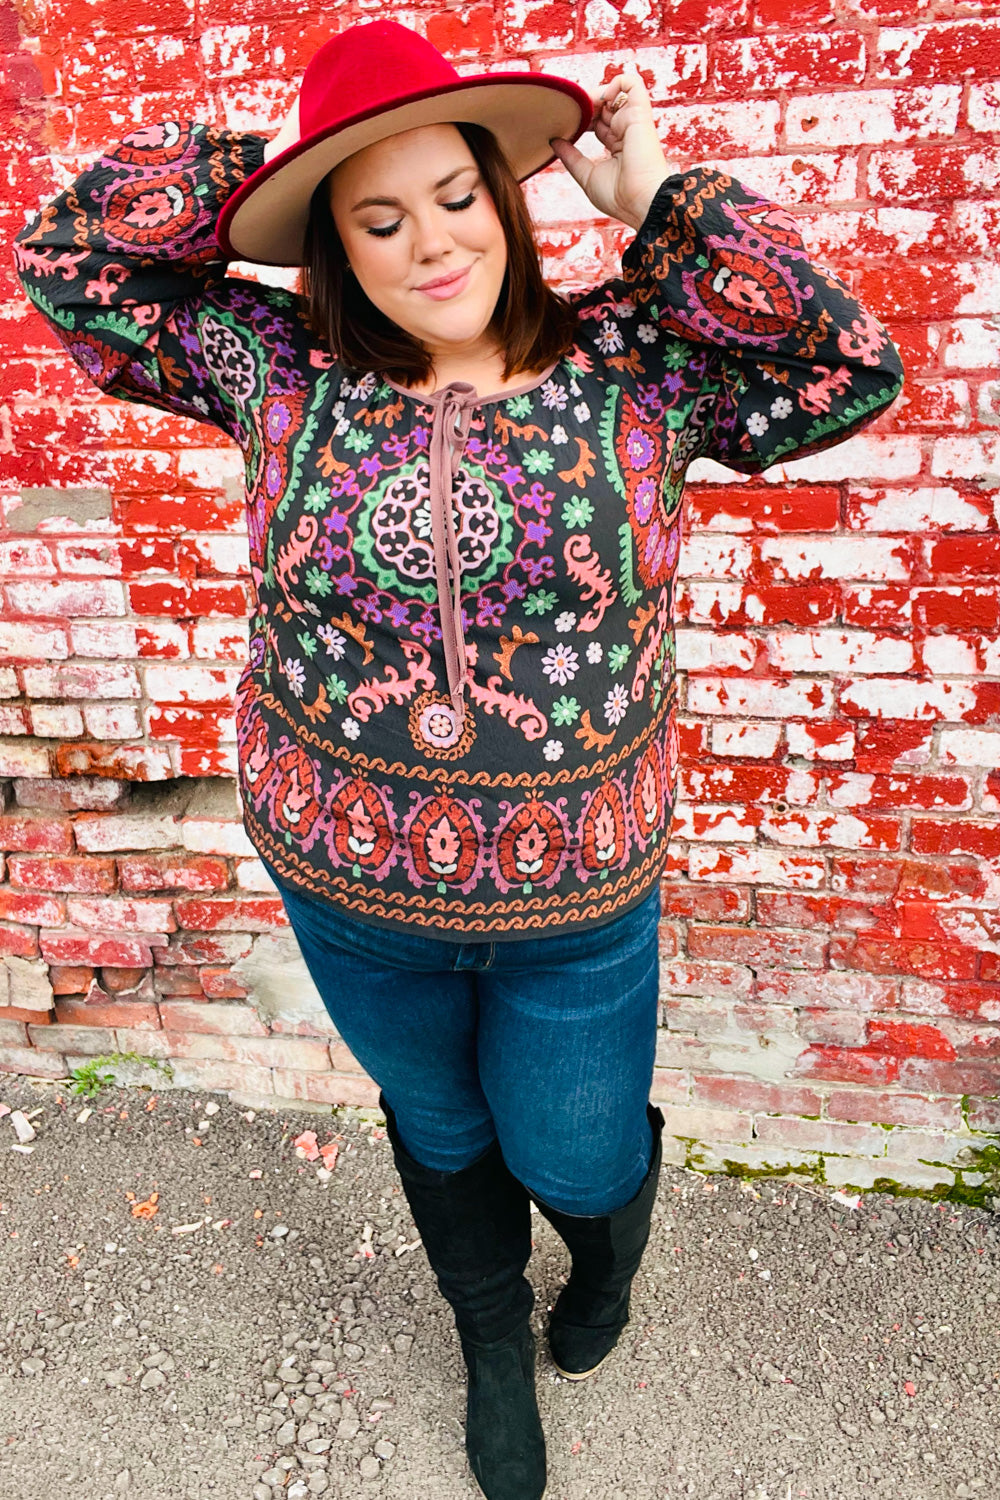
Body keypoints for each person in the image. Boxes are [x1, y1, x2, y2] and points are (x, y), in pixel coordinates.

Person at [14, 19, 903, 1499]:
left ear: (504, 196)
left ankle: (603, 1258)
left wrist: (661, 205)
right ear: (333, 248)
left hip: (577, 906)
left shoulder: (642, 365)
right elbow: (68, 257)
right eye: (376, 217)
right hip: (347, 889)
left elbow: (850, 365)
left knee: (580, 1155)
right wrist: (276, 162)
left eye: (454, 194)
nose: (429, 242)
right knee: (434, 1125)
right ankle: (491, 1339)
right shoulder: (273, 366)